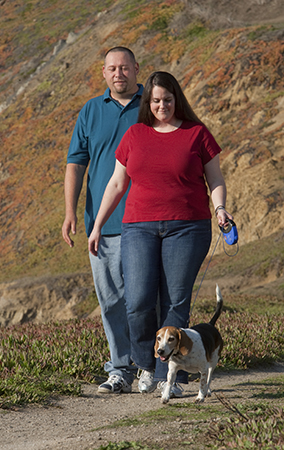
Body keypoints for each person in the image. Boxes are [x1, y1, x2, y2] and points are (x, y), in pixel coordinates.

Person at [88, 71, 233, 397]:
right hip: (139, 227)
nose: (162, 106)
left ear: (176, 99)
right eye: (155, 101)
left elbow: (216, 180)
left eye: (167, 100)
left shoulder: (197, 133)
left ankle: (176, 378)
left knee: (175, 302)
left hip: (188, 227)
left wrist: (221, 209)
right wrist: (97, 226)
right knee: (138, 300)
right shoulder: (135, 135)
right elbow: (116, 184)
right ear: (147, 103)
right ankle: (145, 364)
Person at [62, 47, 143, 394]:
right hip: (102, 224)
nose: (119, 74)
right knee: (110, 301)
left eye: (125, 68)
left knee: (143, 298)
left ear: (136, 69)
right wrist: (70, 212)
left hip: (145, 220)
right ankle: (121, 368)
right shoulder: (91, 111)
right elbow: (76, 163)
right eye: (112, 68)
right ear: (104, 73)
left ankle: (149, 366)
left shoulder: (152, 105)